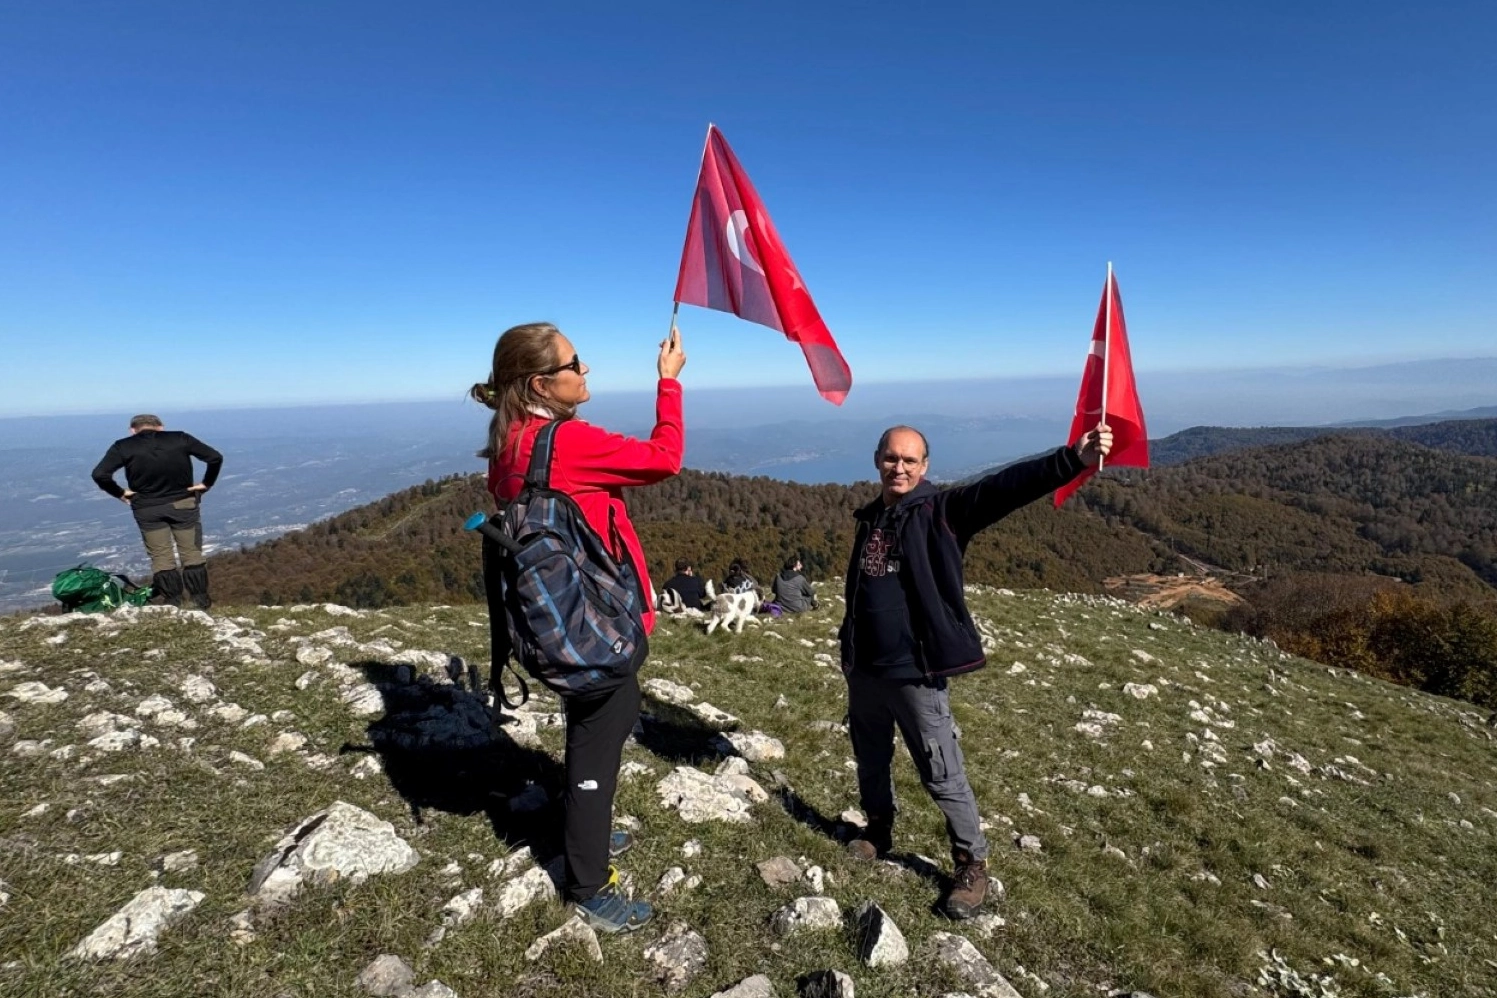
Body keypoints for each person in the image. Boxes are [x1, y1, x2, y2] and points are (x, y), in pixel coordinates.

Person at [839, 422, 1113, 920]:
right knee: (871, 758)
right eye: (890, 458)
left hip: (915, 672)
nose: (898, 467)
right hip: (865, 671)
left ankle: (971, 864)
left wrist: (1071, 459)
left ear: (924, 467)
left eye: (909, 460)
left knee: (942, 772)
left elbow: (1003, 489)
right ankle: (878, 831)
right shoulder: (872, 517)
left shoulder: (941, 511)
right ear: (877, 460)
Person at [472, 320, 685, 934]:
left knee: (597, 717)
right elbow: (664, 459)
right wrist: (667, 384)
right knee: (604, 723)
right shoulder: (564, 442)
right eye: (576, 363)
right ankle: (587, 880)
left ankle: (582, 820)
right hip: (591, 619)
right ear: (542, 381)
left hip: (559, 617)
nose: (585, 370)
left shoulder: (511, 439)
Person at [90, 414, 223, 610]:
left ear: (132, 430)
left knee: (161, 557)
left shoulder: (123, 446)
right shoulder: (180, 438)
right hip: (183, 503)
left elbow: (99, 474)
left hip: (147, 508)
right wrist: (206, 484)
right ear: (161, 427)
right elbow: (215, 457)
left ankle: (173, 604)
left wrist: (120, 493)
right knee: (192, 554)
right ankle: (200, 602)